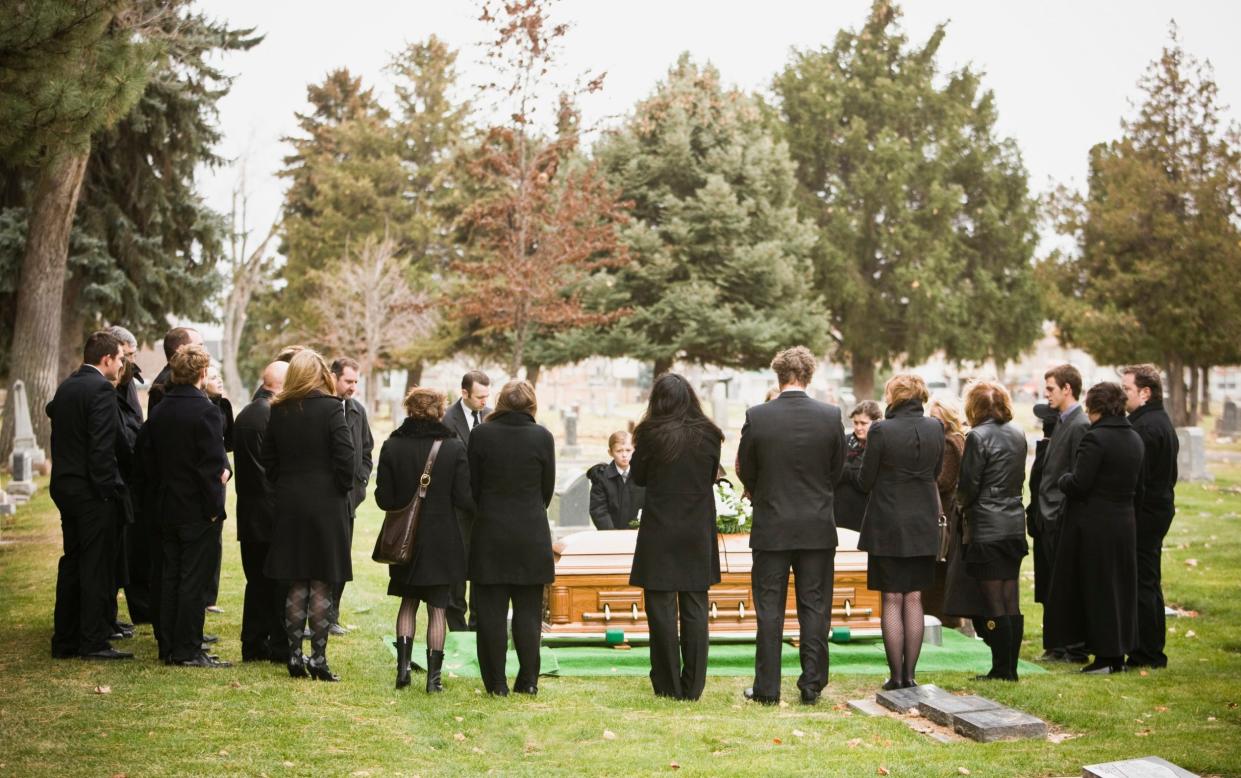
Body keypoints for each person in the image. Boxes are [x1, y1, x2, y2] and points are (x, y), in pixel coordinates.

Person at [737, 347, 845, 706]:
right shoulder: (830, 417)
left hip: (772, 522)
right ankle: (812, 683)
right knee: (814, 606)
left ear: (778, 376)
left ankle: (767, 688)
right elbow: (836, 470)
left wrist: (762, 491)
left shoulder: (759, 416)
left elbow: (745, 468)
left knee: (769, 608)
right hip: (815, 522)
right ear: (808, 376)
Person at [262, 350, 356, 681]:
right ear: (320, 376)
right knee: (321, 580)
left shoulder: (279, 410)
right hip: (325, 504)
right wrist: (339, 488)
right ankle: (317, 658)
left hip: (289, 503)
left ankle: (293, 655)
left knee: (296, 578)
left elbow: (268, 460)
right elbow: (347, 458)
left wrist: (285, 485)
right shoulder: (331, 409)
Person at [628, 374, 723, 701]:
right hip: (696, 526)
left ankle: (667, 684)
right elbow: (712, 475)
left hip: (660, 526)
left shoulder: (651, 434)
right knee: (696, 607)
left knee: (661, 608)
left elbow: (638, 476)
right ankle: (693, 685)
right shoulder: (710, 434)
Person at [376, 387, 475, 692]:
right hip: (442, 539)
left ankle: (403, 670)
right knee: (437, 609)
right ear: (440, 411)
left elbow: (383, 499)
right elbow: (463, 498)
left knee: (407, 603)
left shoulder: (392, 445)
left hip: (405, 541)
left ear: (409, 409)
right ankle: (433, 680)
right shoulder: (454, 447)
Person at [143, 344, 232, 668]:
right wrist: (213, 507)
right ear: (202, 373)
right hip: (196, 509)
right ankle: (188, 649)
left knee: (169, 578)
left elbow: (147, 460)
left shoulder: (161, 409)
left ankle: (168, 645)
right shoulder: (206, 411)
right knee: (193, 580)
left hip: (167, 505)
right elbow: (210, 466)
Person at [1046, 382, 1143, 675]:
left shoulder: (1096, 439)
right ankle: (1118, 654)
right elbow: (1140, 485)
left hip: (1094, 525)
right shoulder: (1134, 438)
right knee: (1119, 589)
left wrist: (1063, 479)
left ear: (1096, 406)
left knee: (1098, 589)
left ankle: (1104, 656)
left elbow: (1080, 483)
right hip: (1123, 521)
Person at [47, 331, 132, 660]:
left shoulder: (68, 386)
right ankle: (93, 641)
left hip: (65, 486)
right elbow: (101, 446)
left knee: (73, 561)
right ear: (107, 359)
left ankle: (65, 639)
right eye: (120, 360)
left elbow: (52, 410)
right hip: (90, 492)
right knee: (96, 565)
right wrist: (107, 490)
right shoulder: (99, 389)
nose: (122, 365)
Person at [467, 381, 555, 696]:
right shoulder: (542, 437)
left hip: (491, 530)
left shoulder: (481, 435)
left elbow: (473, 485)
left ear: (501, 403)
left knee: (490, 613)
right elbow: (547, 489)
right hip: (531, 531)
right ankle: (528, 680)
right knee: (529, 612)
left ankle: (496, 683)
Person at [858, 373, 944, 690]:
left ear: (894, 395)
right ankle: (911, 675)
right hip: (922, 520)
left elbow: (865, 480)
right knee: (915, 597)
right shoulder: (936, 427)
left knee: (892, 598)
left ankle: (896, 676)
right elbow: (936, 472)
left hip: (888, 522)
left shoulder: (881, 429)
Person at [956, 381, 1029, 681]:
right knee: (1010, 595)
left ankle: (1002, 668)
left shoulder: (977, 436)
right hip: (1013, 522)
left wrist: (961, 507)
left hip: (986, 524)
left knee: (992, 599)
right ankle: (1009, 666)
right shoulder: (1018, 433)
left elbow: (970, 484)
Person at [1122, 364, 1179, 669]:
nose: (1123, 395)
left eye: (1127, 389)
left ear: (1145, 392)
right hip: (1157, 509)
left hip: (1146, 513)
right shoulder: (1157, 420)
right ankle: (1148, 649)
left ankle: (1148, 652)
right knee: (1148, 580)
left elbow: (1138, 478)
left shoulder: (1146, 427)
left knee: (1144, 582)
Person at [233, 360, 289, 662]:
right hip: (269, 513)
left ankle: (254, 643)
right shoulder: (269, 416)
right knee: (273, 583)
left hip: (251, 510)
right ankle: (271, 644)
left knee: (256, 583)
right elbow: (271, 470)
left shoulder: (248, 412)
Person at [1035, 365, 1091, 663]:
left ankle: (1073, 646)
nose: (1046, 395)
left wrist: (1056, 511)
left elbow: (1075, 474)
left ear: (1067, 388)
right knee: (1051, 586)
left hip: (1060, 514)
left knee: (1066, 585)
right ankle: (1057, 644)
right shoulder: (1061, 421)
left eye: (1051, 389)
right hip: (1048, 515)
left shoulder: (1079, 424)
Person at [444, 370, 493, 632]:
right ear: (464, 393)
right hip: (457, 506)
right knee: (458, 565)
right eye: (479, 396)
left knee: (482, 564)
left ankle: (478, 623)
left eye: (487, 395)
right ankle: (457, 625)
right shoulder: (448, 420)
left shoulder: (491, 416)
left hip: (486, 507)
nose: (484, 401)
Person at [329, 357, 375, 635]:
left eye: (356, 382)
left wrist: (361, 482)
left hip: (349, 500)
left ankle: (332, 614)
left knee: (341, 559)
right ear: (334, 377)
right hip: (325, 498)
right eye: (348, 381)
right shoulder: (323, 409)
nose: (353, 387)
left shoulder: (357, 411)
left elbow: (367, 451)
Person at [106, 325, 145, 631]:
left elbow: (133, 421)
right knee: (114, 549)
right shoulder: (109, 385)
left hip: (129, 473)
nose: (128, 362)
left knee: (126, 549)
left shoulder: (127, 380)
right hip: (117, 475)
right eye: (126, 355)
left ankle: (115, 612)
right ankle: (106, 615)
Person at [928, 397, 979, 631]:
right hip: (952, 512)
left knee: (939, 571)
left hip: (944, 513)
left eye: (937, 418)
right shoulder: (959, 439)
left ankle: (942, 619)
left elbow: (943, 481)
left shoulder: (949, 443)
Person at [202, 364, 234, 615]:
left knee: (216, 537)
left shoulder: (222, 406)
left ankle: (210, 596)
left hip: (220, 473)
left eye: (220, 376)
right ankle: (201, 597)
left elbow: (228, 442)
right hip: (207, 475)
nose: (219, 381)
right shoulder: (203, 409)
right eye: (213, 377)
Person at [1027, 403, 1060, 645]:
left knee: (1053, 584)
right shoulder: (1045, 447)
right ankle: (1052, 640)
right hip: (1040, 519)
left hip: (1049, 518)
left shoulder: (1052, 449)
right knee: (1047, 585)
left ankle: (1058, 641)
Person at [835, 401, 881, 533]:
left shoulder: (879, 445)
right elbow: (833, 471)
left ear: (875, 423)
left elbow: (866, 480)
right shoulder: (844, 441)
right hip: (840, 510)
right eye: (856, 423)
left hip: (866, 512)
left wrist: (846, 469)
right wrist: (854, 471)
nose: (858, 427)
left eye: (863, 423)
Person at [587, 430, 645, 530]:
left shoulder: (642, 475)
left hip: (637, 534)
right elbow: (599, 510)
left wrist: (637, 527)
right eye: (619, 451)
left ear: (634, 450)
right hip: (610, 535)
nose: (624, 455)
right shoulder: (601, 477)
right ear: (610, 452)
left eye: (628, 450)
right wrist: (612, 533)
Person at [147, 326, 203, 413]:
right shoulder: (171, 382)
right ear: (180, 349)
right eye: (199, 346)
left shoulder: (172, 378)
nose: (203, 351)